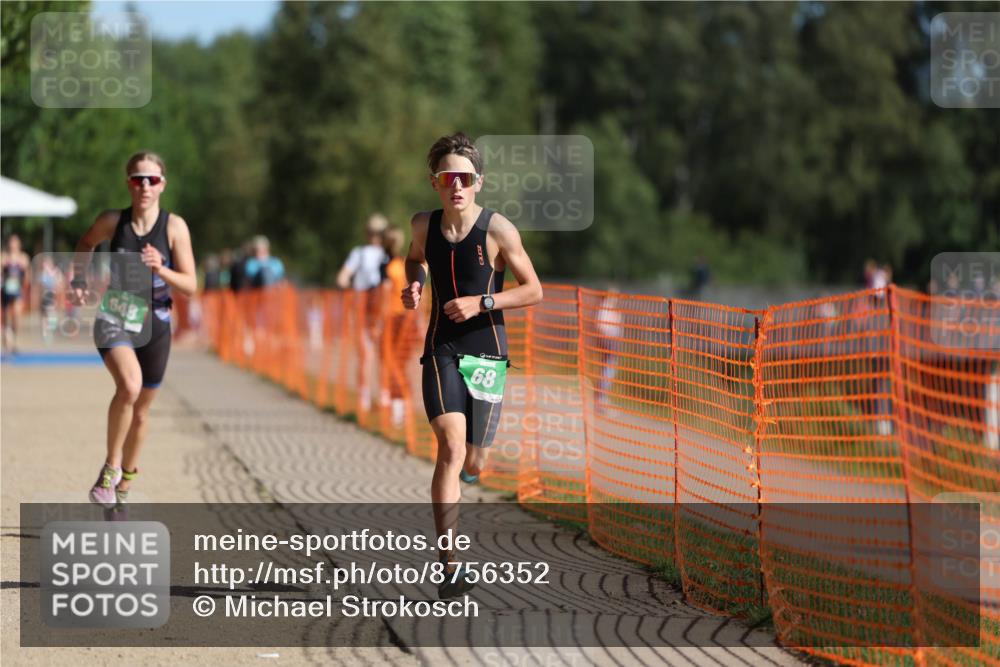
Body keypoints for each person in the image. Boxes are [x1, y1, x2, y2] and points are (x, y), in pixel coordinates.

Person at [402, 133, 542, 599]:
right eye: (447, 178)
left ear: (478, 182)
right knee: (450, 447)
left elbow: (533, 290)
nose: (456, 186)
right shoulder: (423, 225)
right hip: (441, 347)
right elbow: (413, 260)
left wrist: (482, 302)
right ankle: (450, 567)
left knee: (475, 460)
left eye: (464, 177)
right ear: (435, 182)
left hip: (487, 351)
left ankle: (472, 466)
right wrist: (415, 285)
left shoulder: (498, 230)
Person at [71, 151, 196, 509]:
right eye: (137, 178)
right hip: (117, 314)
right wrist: (79, 277)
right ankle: (110, 468)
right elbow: (85, 243)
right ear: (127, 182)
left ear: (162, 185)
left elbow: (190, 285)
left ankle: (124, 487)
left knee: (141, 410)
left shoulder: (174, 227)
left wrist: (161, 269)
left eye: (152, 180)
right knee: (129, 385)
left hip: (156, 321)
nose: (144, 185)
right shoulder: (113, 221)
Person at [337, 214, 389, 412]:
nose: (375, 236)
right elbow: (344, 274)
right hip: (362, 308)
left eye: (378, 232)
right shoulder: (359, 253)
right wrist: (347, 285)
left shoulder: (387, 254)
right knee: (365, 355)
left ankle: (384, 396)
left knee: (385, 355)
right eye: (372, 232)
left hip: (382, 310)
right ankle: (364, 396)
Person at [380, 225, 415, 428]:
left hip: (394, 320)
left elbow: (385, 297)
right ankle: (401, 406)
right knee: (398, 364)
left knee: (394, 364)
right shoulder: (404, 266)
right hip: (406, 319)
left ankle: (399, 409)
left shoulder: (390, 267)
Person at [1, 234, 31, 354]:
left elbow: (28, 275)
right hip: (5, 291)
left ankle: (14, 340)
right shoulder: (3, 257)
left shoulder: (23, 257)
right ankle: (7, 343)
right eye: (11, 242)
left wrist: (25, 288)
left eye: (15, 242)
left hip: (17, 290)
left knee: (16, 317)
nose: (13, 245)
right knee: (6, 317)